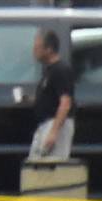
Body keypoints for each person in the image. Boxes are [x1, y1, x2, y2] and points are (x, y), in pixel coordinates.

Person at [30, 29, 75, 159]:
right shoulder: (49, 71)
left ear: (48, 49)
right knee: (36, 163)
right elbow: (50, 96)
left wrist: (54, 132)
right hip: (44, 124)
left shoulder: (61, 70)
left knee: (52, 165)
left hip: (56, 123)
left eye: (37, 47)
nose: (34, 51)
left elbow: (65, 103)